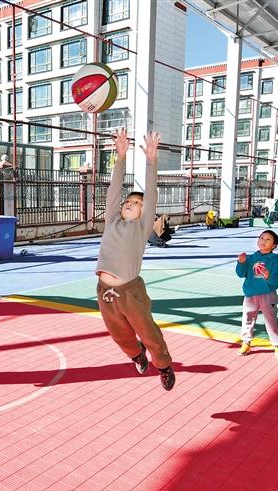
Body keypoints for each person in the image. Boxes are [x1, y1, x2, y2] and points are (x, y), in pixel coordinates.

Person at [96, 128, 176, 391]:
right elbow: (113, 190)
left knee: (148, 332)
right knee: (119, 334)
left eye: (137, 203)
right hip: (105, 291)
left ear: (145, 213)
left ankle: (163, 366)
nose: (130, 203)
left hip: (131, 292)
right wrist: (120, 157)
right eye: (128, 201)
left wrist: (151, 162)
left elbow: (150, 196)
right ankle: (137, 355)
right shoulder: (111, 220)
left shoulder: (141, 228)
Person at [235, 230, 278, 360]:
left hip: (268, 295)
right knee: (247, 318)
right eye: (262, 238)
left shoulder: (275, 262)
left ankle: (277, 345)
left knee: (271, 319)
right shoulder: (251, 258)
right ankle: (246, 342)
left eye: (268, 239)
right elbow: (241, 274)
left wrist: (269, 276)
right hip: (250, 294)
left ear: (274, 245)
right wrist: (241, 263)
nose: (263, 241)